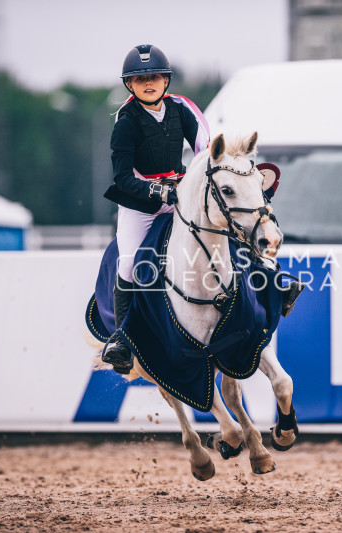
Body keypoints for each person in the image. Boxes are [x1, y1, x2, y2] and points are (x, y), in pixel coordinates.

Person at [100, 44, 209, 374]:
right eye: (141, 78)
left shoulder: (181, 110)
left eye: (155, 77)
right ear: (129, 86)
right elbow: (121, 178)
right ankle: (122, 340)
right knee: (130, 260)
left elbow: (205, 149)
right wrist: (156, 191)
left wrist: (196, 184)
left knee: (220, 229)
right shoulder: (126, 121)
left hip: (178, 194)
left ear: (166, 81)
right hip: (140, 204)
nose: (149, 83)